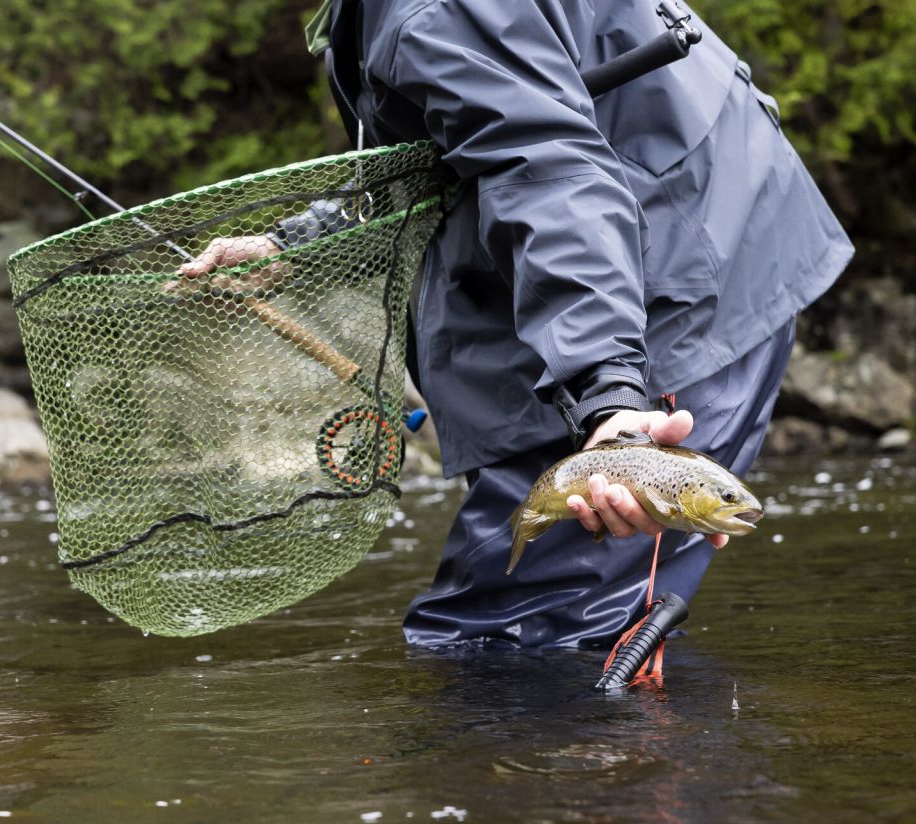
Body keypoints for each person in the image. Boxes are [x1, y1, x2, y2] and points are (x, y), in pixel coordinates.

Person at [181, 0, 853, 648]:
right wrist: (300, 245)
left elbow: (545, 170)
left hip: (663, 301)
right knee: (508, 645)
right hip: (586, 301)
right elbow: (443, 147)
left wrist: (609, 397)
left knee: (521, 644)